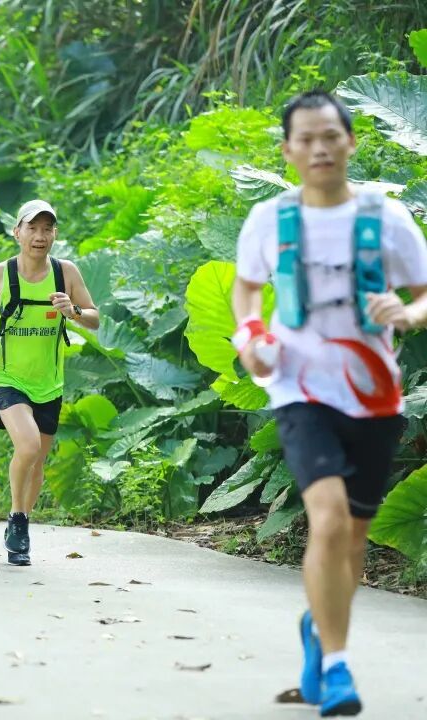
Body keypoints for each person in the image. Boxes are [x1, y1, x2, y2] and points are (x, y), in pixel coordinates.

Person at [232, 90, 427, 718]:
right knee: (330, 519)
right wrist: (250, 337)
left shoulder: (385, 218)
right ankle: (339, 669)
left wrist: (408, 312)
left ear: (350, 142)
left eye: (330, 136)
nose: (319, 148)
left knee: (353, 541)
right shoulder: (270, 220)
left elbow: (425, 291)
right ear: (288, 151)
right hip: (300, 390)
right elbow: (246, 290)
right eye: (306, 139)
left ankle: (318, 630)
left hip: (374, 395)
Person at [0, 200, 99, 566]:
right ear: (17, 232)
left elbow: (94, 318)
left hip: (49, 383)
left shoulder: (66, 273)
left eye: (47, 229)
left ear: (54, 234)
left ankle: (19, 520)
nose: (40, 236)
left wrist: (74, 311)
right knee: (29, 444)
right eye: (32, 228)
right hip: (8, 377)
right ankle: (19, 520)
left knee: (37, 462)